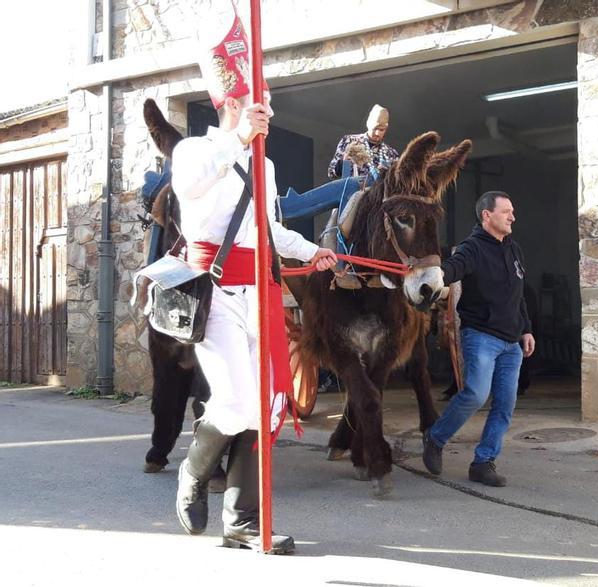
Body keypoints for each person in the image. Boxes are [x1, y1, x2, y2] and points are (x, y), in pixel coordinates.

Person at [171, 6, 336, 554]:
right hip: (213, 293)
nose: (270, 108)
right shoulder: (197, 149)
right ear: (235, 102)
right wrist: (238, 139)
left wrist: (316, 253)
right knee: (237, 404)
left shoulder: (263, 165)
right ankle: (193, 472)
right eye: (261, 99)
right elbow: (192, 186)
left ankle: (242, 521)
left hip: (258, 291)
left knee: (265, 406)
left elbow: (268, 231)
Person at [422, 191, 535, 487]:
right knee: (475, 394)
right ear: (487, 215)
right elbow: (453, 268)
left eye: (512, 211)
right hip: (482, 336)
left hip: (512, 343)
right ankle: (435, 438)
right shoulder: (471, 248)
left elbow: (518, 295)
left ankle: (483, 462)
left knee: (505, 405)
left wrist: (526, 329)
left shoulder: (514, 250)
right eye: (506, 211)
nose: (513, 217)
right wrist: (436, 275)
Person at [327, 104, 399, 179]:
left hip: (379, 190)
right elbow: (331, 173)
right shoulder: (349, 141)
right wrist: (343, 163)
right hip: (352, 189)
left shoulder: (391, 154)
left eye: (381, 130)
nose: (377, 133)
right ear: (369, 125)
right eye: (375, 128)